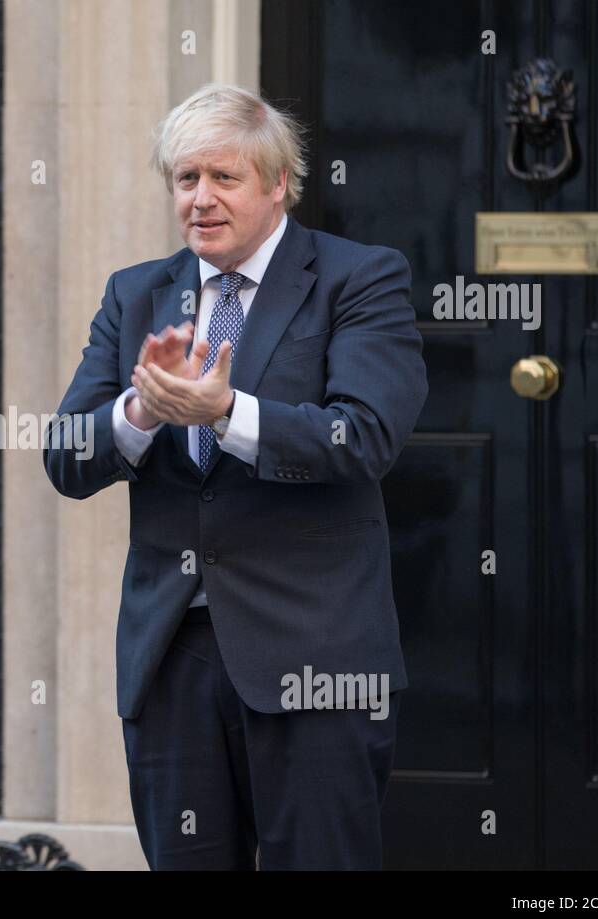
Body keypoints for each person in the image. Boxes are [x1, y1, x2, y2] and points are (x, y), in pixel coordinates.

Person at [42, 82, 428, 870]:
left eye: (225, 178)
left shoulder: (359, 278)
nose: (201, 199)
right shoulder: (135, 292)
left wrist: (225, 412)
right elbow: (66, 456)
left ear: (277, 183)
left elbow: (365, 437)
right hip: (172, 656)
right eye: (186, 179)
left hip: (314, 657)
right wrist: (144, 413)